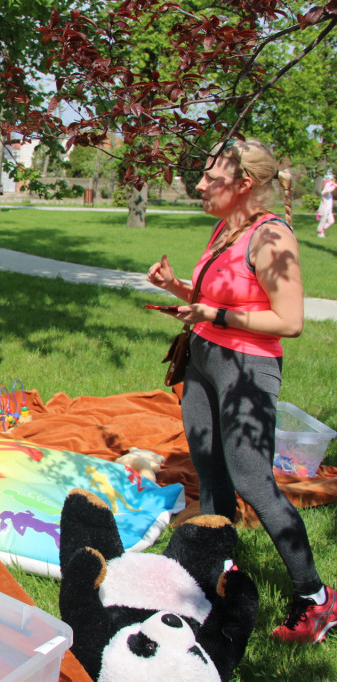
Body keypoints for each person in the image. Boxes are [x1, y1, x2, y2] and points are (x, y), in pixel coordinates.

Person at [146, 139, 336, 645]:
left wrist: (215, 315)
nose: (202, 184)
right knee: (210, 478)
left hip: (247, 370)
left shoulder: (272, 237)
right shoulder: (228, 227)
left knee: (252, 482)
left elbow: (290, 320)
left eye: (212, 177)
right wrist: (178, 290)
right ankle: (215, 582)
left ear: (244, 184)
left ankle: (317, 598)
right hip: (205, 359)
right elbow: (216, 298)